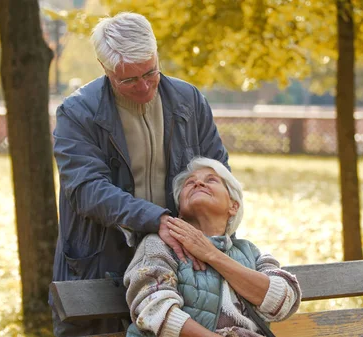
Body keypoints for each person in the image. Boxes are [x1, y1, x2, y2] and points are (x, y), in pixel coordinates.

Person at [50, 12, 229, 336]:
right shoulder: (77, 113)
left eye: (150, 72)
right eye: (129, 80)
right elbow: (87, 189)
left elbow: (218, 171)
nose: (144, 86)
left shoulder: (189, 101)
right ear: (105, 70)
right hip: (99, 266)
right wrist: (155, 220)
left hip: (178, 265)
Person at [124, 157, 302, 337]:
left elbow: (282, 301)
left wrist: (212, 254)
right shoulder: (159, 245)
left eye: (211, 180)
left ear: (233, 206)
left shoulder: (250, 252)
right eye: (189, 183)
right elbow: (153, 308)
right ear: (180, 209)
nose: (198, 183)